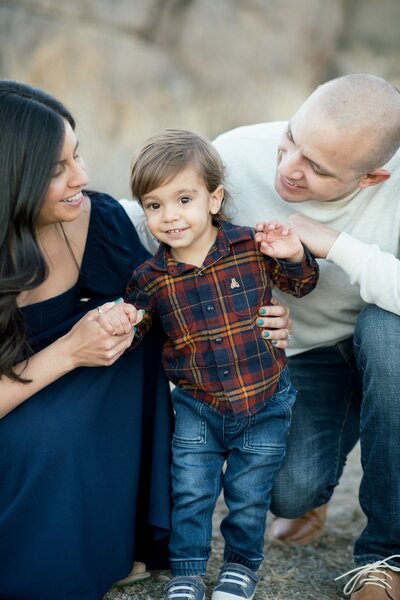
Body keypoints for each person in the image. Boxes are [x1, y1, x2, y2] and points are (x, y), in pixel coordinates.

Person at [99, 129, 319, 600]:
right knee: (192, 494)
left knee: (248, 495)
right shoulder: (149, 277)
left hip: (264, 400)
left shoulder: (250, 247)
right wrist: (121, 319)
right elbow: (139, 329)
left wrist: (295, 253)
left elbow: (300, 285)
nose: (170, 216)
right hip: (198, 407)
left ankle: (240, 568)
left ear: (214, 198)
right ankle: (187, 573)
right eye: (154, 205)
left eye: (183, 199)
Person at [210, 73, 400, 599]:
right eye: (292, 139)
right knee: (288, 493)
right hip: (307, 354)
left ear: (372, 178)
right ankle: (322, 478)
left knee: (389, 336)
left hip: (386, 338)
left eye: (318, 169)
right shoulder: (234, 154)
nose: (288, 169)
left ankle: (386, 556)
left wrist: (335, 244)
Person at [0, 80, 173, 600]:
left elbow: (165, 305)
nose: (83, 177)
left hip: (60, 394)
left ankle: (121, 541)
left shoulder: (97, 219)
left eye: (78, 155)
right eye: (57, 169)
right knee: (50, 431)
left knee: (129, 330)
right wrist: (69, 352)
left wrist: (257, 317)